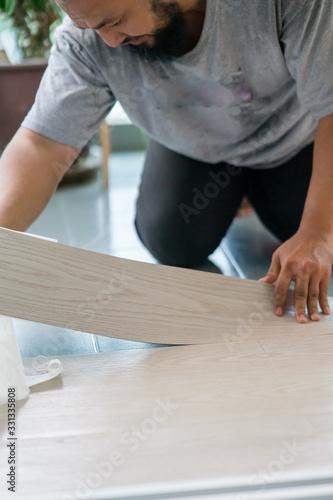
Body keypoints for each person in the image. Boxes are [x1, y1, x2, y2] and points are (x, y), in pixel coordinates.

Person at [0, 0, 333, 324]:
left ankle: (257, 193)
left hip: (293, 141)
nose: (109, 42)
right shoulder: (88, 39)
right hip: (192, 145)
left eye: (114, 22)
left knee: (322, 240)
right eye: (90, 26)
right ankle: (234, 192)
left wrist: (317, 232)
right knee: (171, 240)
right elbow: (42, 144)